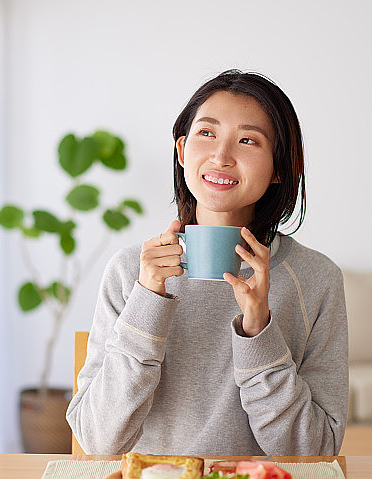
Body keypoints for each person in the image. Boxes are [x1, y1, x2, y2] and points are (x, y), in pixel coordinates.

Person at [67, 69, 348, 456]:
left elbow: (315, 452)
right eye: (207, 133)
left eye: (248, 140)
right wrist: (147, 301)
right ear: (182, 152)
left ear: (279, 168)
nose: (221, 156)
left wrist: (259, 331)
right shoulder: (131, 270)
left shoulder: (317, 279)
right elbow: (99, 440)